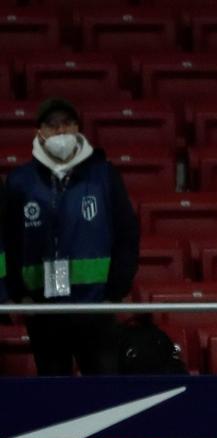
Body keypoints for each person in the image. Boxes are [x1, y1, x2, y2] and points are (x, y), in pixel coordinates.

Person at [3, 97, 139, 376]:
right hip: (44, 311)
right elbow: (8, 241)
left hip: (95, 308)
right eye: (52, 126)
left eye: (67, 124)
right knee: (54, 397)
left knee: (102, 395)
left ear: (78, 127)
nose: (61, 132)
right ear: (40, 132)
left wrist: (114, 293)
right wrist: (19, 295)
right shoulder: (20, 182)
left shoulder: (103, 176)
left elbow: (127, 234)